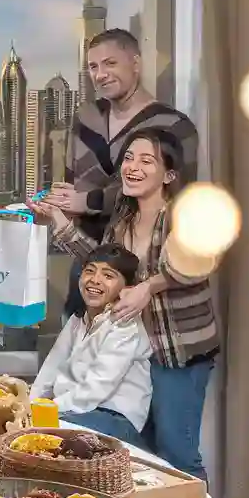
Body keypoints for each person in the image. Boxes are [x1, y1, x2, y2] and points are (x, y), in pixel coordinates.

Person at [28, 126, 220, 481]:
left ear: (170, 174)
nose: (133, 166)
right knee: (141, 457)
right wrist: (57, 220)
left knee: (176, 451)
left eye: (147, 160)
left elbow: (200, 261)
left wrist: (150, 286)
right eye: (130, 157)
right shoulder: (124, 214)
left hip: (177, 351)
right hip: (134, 347)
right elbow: (103, 264)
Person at [47, 28, 200, 319]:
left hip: (144, 271)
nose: (100, 74)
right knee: (80, 353)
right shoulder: (85, 117)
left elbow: (176, 198)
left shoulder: (175, 126)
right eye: (93, 66)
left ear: (136, 64)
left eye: (110, 63)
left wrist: (87, 201)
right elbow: (73, 183)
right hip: (87, 262)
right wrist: (59, 207)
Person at [31, 243, 153, 449]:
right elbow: (50, 369)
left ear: (127, 288)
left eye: (108, 275)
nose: (95, 280)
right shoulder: (78, 319)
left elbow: (95, 389)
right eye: (89, 271)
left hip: (115, 419)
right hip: (73, 412)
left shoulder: (124, 324)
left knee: (42, 437)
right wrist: (29, 404)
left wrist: (47, 410)